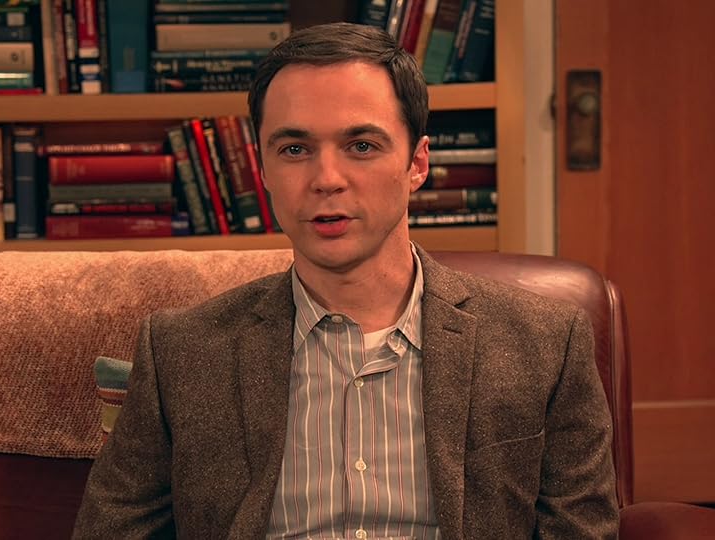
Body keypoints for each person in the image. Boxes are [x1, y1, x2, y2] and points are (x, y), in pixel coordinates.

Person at [73, 22, 619, 539]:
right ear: (262, 169)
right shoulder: (180, 352)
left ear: (417, 163)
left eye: (361, 146)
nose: (326, 179)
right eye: (295, 150)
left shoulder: (546, 344)